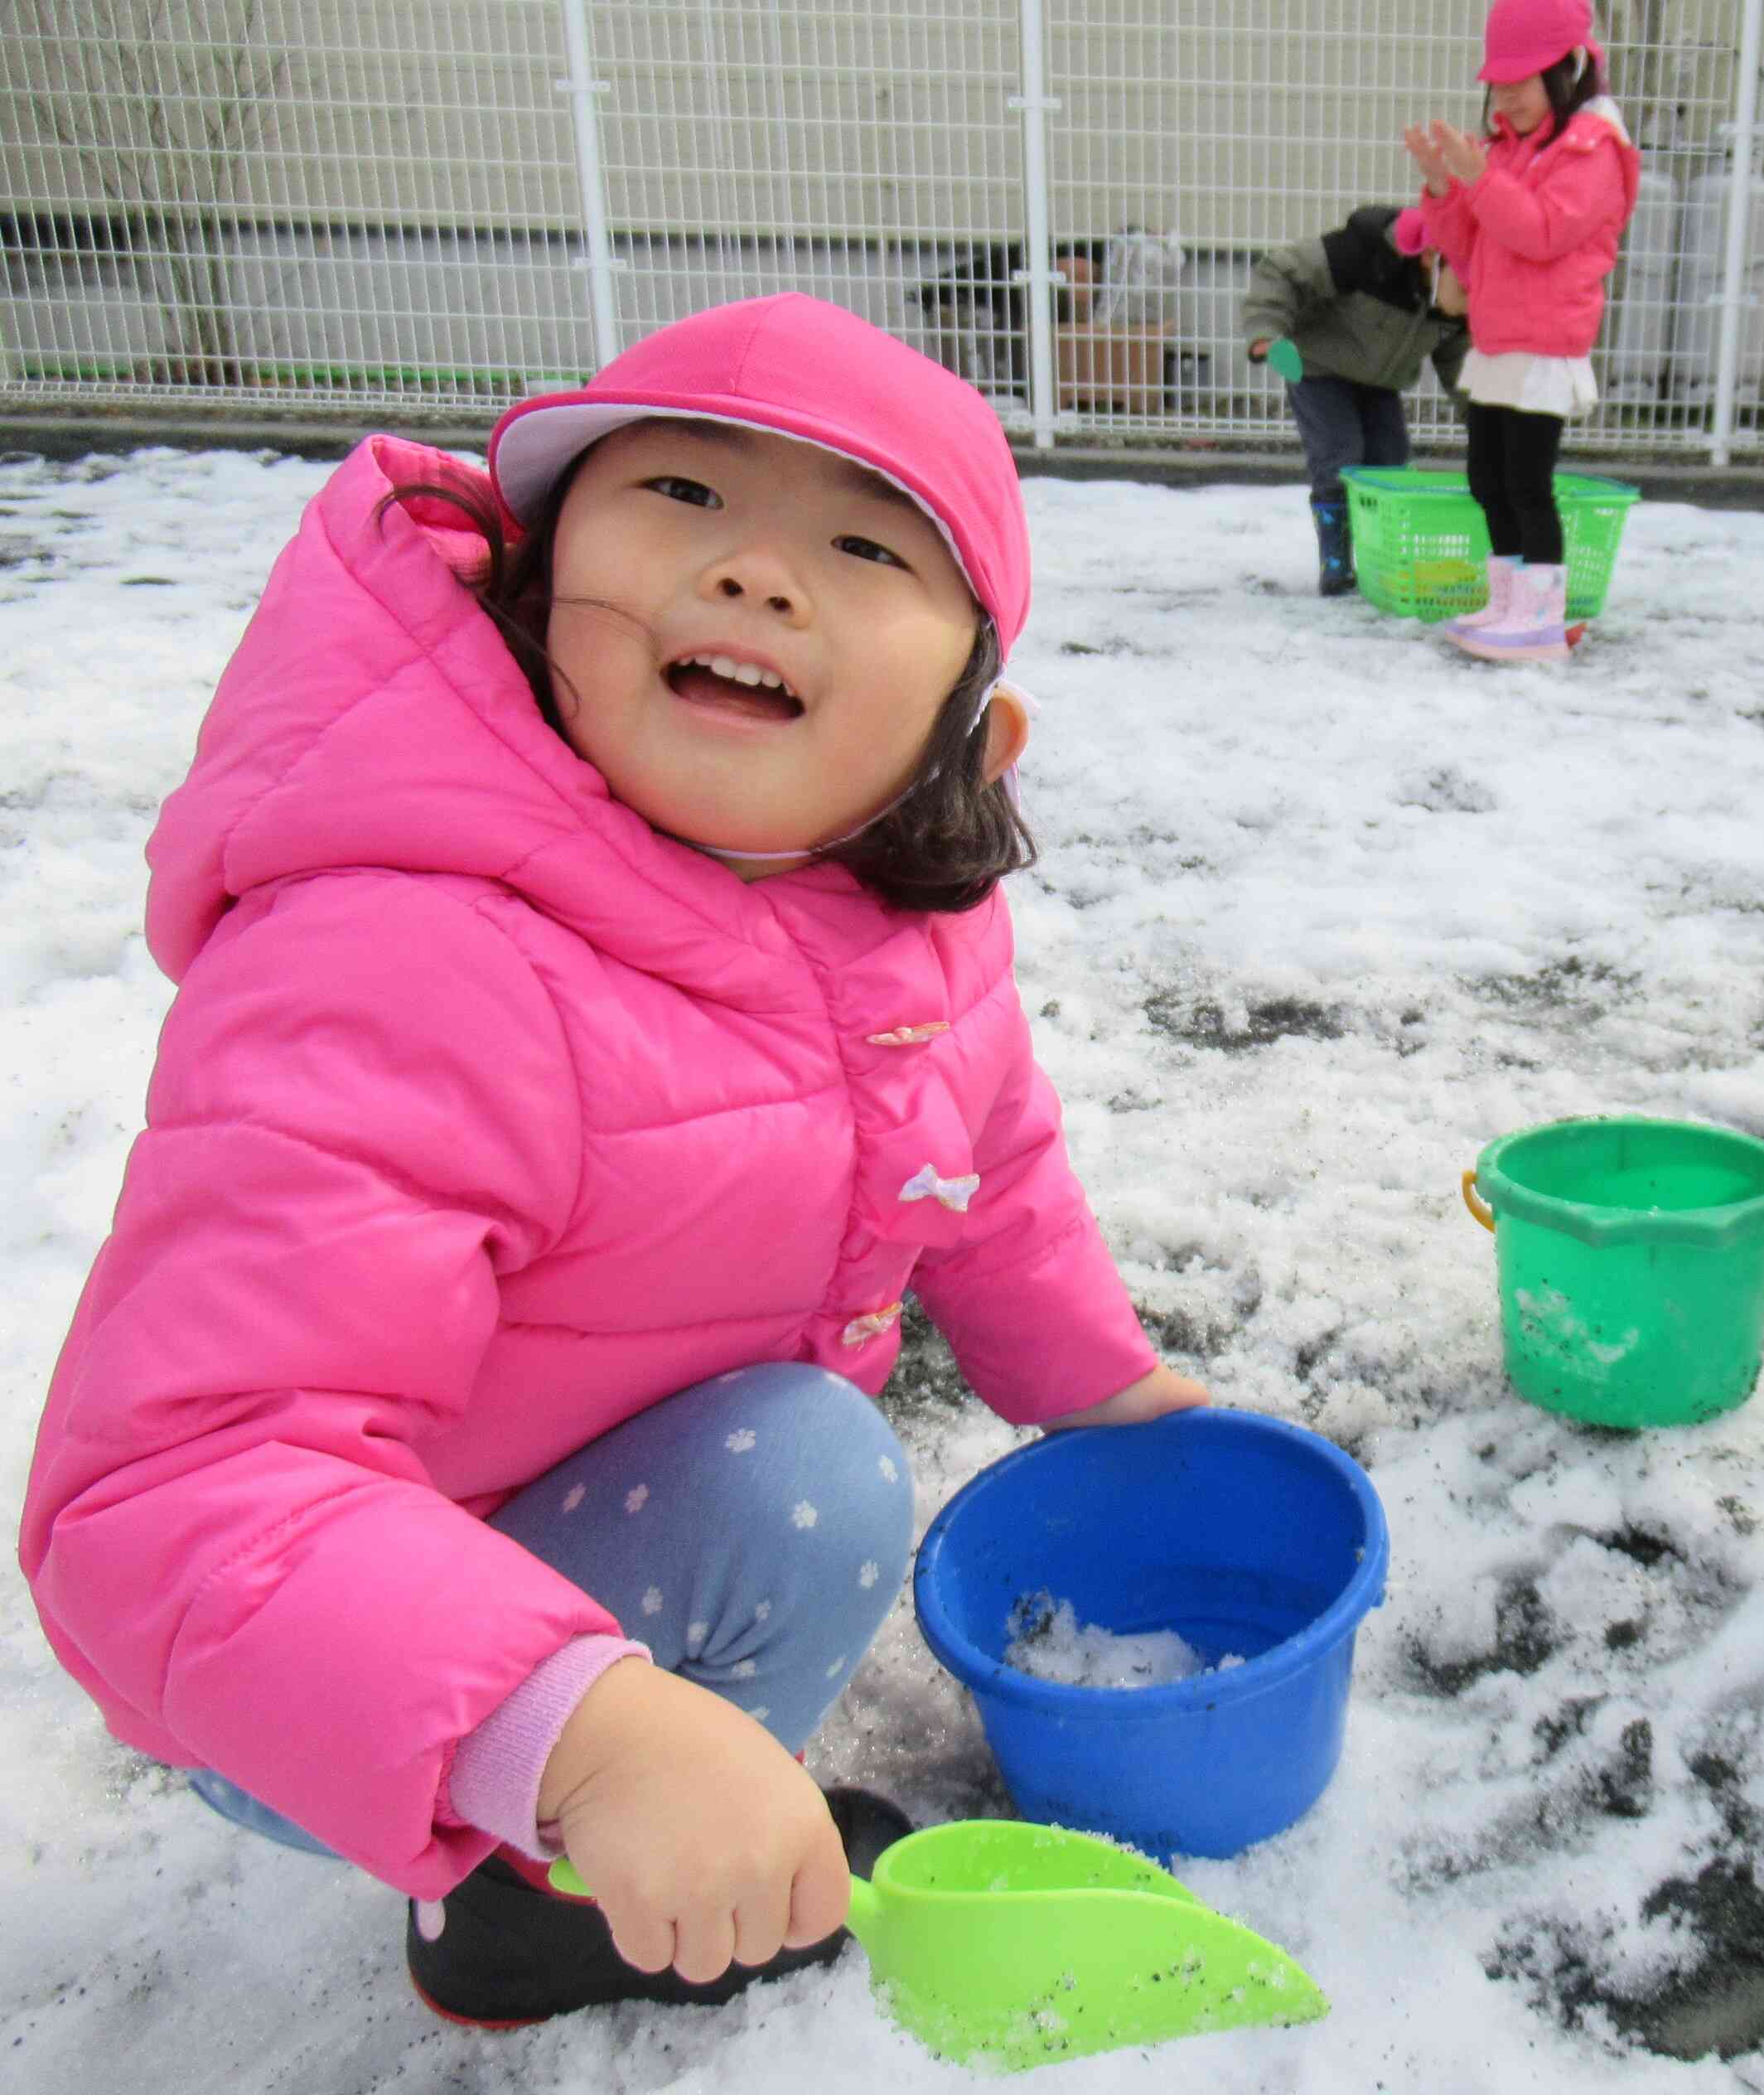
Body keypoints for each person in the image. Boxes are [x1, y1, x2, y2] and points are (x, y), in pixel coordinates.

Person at [16, 293, 1210, 2025]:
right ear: (533, 576)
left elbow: (993, 1163)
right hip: (324, 1683)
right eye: (683, 499)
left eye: (863, 545)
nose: (757, 577)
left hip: (596, 1522)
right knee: (808, 1474)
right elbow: (168, 1502)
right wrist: (575, 1725)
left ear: (973, 730)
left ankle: (620, 1786)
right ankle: (532, 1905)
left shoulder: (901, 922)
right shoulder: (410, 961)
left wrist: (1105, 1392)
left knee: (794, 1463)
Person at [1398, 0, 1638, 663]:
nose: (1506, 96)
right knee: (1487, 477)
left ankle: (1540, 615)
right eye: (1498, 83)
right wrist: (1444, 187)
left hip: (1547, 344)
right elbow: (1470, 250)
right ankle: (1506, 602)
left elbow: (1542, 233)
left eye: (1521, 81)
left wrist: (1480, 181)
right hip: (1499, 340)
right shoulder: (1510, 149)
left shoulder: (1592, 148)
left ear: (1568, 69)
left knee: (1528, 481)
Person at [1242, 203, 1471, 596]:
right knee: (1340, 457)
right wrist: (1267, 332)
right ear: (1431, 254)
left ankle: (1380, 562)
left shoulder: (1457, 292)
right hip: (1318, 368)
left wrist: (1485, 419)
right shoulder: (1361, 253)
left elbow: (1457, 358)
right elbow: (1281, 272)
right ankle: (1336, 564)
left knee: (1390, 463)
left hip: (1380, 380)